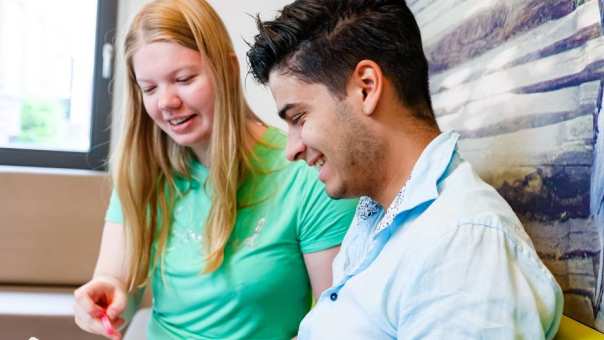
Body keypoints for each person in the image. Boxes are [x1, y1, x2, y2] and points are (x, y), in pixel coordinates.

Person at [247, 0, 564, 339]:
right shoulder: (379, 217)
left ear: (366, 87)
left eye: (299, 118)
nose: (291, 149)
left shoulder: (462, 246)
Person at [73, 0, 357, 339]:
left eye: (183, 79)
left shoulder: (307, 175)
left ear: (227, 68)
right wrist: (106, 292)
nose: (166, 102)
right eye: (149, 88)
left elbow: (337, 326)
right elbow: (118, 281)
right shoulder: (144, 170)